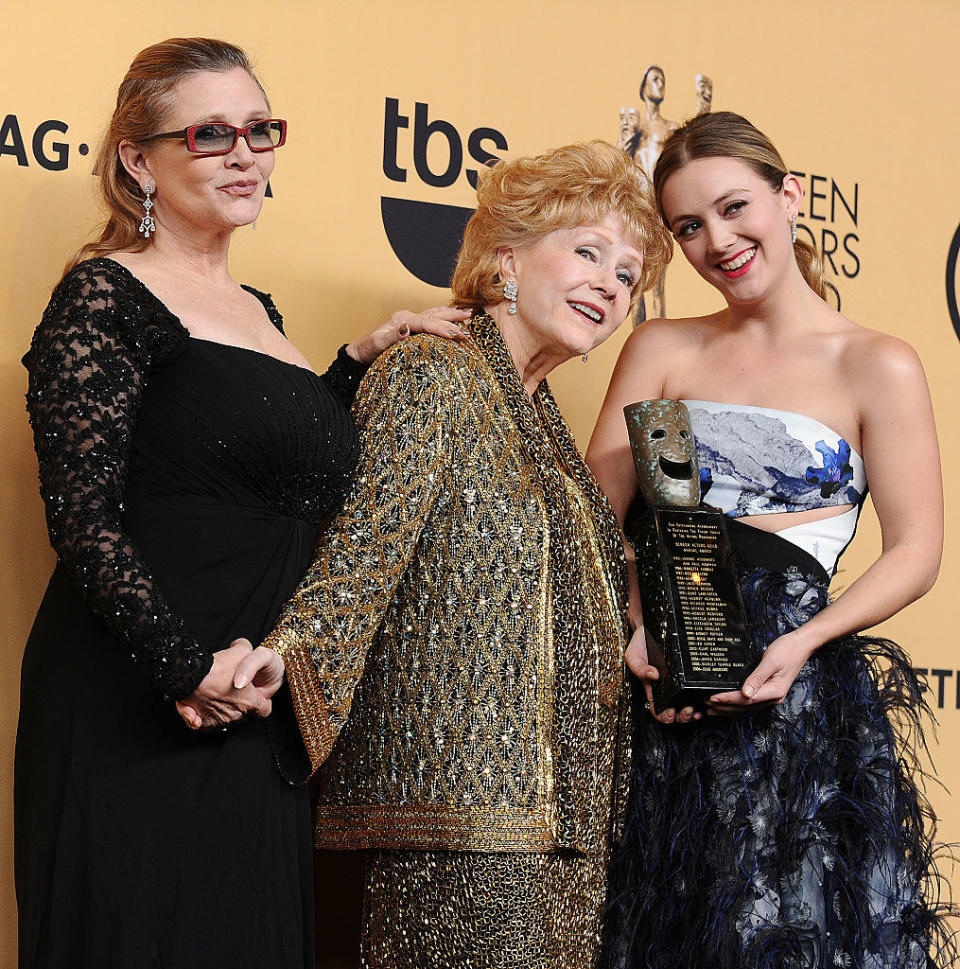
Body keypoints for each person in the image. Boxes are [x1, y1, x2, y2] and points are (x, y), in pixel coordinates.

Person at [14, 37, 469, 969]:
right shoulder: (105, 295)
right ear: (139, 160)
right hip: (143, 701)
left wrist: (358, 359)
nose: (245, 153)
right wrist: (186, 670)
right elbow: (83, 519)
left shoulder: (259, 308)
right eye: (212, 133)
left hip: (255, 704)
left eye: (261, 130)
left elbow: (267, 468)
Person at [231, 140, 674, 968]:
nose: (610, 287)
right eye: (587, 252)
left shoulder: (548, 428)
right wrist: (284, 659)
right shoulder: (433, 373)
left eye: (626, 275)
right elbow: (365, 548)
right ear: (505, 256)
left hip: (566, 830)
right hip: (456, 819)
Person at [587, 111, 953, 968]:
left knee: (783, 931)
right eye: (688, 226)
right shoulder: (660, 347)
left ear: (790, 197)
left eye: (735, 207)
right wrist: (641, 618)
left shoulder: (876, 362)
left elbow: (916, 550)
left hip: (791, 697)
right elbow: (596, 519)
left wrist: (805, 642)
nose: (717, 240)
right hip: (660, 694)